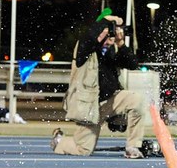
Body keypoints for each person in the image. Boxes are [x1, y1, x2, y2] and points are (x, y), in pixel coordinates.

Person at [52, 9, 148, 158]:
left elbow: (133, 63)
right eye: (110, 29)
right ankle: (59, 141)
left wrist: (121, 43)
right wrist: (108, 20)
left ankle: (132, 147)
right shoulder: (84, 49)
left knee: (137, 100)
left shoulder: (111, 52)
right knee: (83, 150)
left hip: (110, 101)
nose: (112, 33)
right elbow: (90, 37)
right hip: (90, 106)